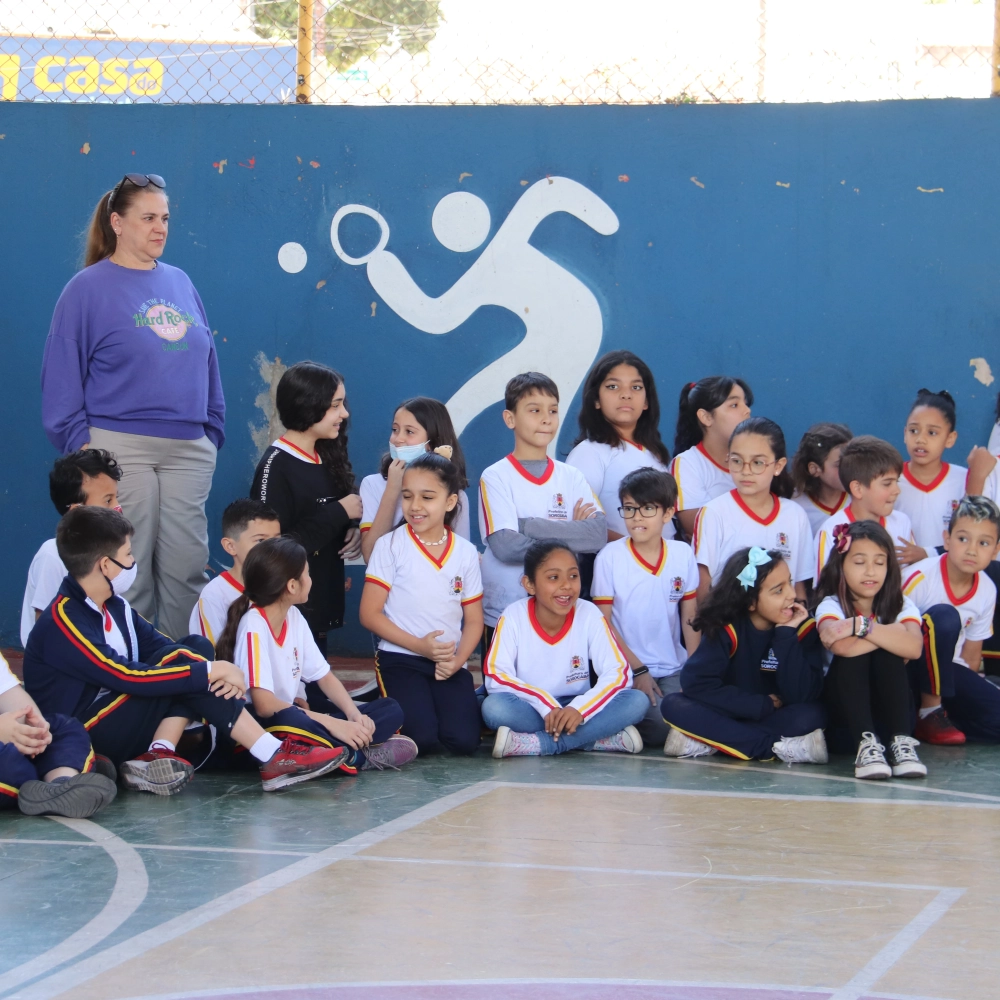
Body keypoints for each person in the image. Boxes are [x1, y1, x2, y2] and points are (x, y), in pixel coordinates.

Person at [23, 507, 346, 794]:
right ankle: (271, 754)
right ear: (105, 565)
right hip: (81, 730)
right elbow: (123, 675)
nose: (134, 562)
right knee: (191, 667)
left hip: (122, 716)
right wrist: (212, 670)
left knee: (194, 648)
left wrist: (209, 668)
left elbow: (167, 648)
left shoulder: (115, 607)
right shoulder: (64, 618)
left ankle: (160, 752)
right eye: (128, 555)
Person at [41, 173, 225, 641]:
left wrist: (211, 431)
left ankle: (188, 679)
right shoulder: (85, 289)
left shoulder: (181, 282)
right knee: (130, 571)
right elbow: (61, 375)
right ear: (118, 223)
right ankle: (134, 681)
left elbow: (208, 358)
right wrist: (83, 448)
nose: (160, 227)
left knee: (187, 570)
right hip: (121, 447)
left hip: (188, 447)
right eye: (148, 218)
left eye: (164, 218)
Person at [215, 537, 416, 773]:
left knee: (390, 709)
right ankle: (355, 757)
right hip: (264, 728)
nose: (311, 580)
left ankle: (336, 754)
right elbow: (265, 706)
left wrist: (352, 715)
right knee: (295, 721)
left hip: (296, 717)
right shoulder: (254, 625)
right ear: (292, 586)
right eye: (307, 574)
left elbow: (324, 677)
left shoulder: (294, 618)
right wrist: (334, 724)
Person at [360, 453, 483, 755]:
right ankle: (372, 714)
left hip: (447, 663)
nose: (415, 506)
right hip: (400, 659)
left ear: (450, 502)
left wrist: (457, 661)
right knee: (422, 739)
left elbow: (475, 620)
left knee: (464, 741)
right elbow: (369, 614)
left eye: (427, 497)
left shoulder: (466, 553)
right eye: (407, 496)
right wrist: (420, 646)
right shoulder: (389, 546)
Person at [482, 541, 648, 757]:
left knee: (637, 702)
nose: (567, 586)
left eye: (573, 576)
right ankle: (594, 740)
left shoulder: (589, 614)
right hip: (534, 708)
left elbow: (618, 673)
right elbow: (497, 675)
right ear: (529, 584)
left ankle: (542, 744)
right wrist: (548, 706)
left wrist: (579, 709)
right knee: (494, 708)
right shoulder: (513, 616)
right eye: (553, 577)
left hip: (577, 706)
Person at [661, 547, 827, 763]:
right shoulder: (727, 629)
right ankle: (770, 747)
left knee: (814, 713)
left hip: (775, 717)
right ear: (750, 602)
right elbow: (697, 684)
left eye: (790, 582)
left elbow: (802, 695)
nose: (792, 595)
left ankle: (716, 742)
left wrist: (785, 637)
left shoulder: (802, 628)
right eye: (778, 590)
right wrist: (758, 705)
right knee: (674, 704)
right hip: (732, 710)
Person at [478, 373, 606, 639]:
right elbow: (505, 546)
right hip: (505, 610)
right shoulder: (495, 475)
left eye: (553, 410)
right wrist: (571, 531)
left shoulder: (571, 476)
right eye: (535, 410)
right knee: (506, 681)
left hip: (560, 610)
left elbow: (597, 535)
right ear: (510, 419)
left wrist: (530, 526)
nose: (547, 418)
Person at [251, 361, 363, 654]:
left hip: (318, 608)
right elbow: (271, 549)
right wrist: (340, 512)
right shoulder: (275, 466)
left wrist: (350, 528)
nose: (344, 414)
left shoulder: (327, 453)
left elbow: (331, 511)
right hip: (289, 614)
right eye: (335, 405)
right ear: (309, 406)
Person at [592, 468, 699, 748]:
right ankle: (611, 732)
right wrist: (638, 670)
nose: (636, 517)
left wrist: (696, 672)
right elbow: (603, 626)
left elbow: (690, 618)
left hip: (673, 669)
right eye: (629, 509)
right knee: (663, 727)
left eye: (648, 508)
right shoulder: (609, 558)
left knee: (695, 714)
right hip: (627, 669)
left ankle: (623, 728)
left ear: (668, 513)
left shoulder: (682, 554)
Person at [816, 520, 926, 780]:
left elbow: (915, 648)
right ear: (841, 566)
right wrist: (890, 634)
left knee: (885, 651)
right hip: (845, 720)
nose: (870, 571)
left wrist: (861, 625)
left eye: (879, 562)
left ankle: (902, 744)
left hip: (889, 714)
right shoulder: (831, 605)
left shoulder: (901, 604)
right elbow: (841, 647)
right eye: (859, 562)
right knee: (876, 649)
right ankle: (866, 747)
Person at [902, 496, 1000, 745]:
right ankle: (926, 712)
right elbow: (891, 631)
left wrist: (966, 697)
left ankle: (937, 721)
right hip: (907, 669)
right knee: (945, 616)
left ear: (996, 550)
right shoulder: (919, 577)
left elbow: (971, 655)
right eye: (962, 538)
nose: (972, 550)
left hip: (948, 674)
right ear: (946, 539)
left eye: (984, 543)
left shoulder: (987, 590)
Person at [693, 417, 812, 603]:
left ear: (778, 466)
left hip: (782, 627)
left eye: (757, 463)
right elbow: (704, 582)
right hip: (729, 625)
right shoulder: (714, 513)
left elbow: (799, 587)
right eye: (737, 461)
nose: (745, 471)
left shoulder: (795, 515)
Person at [566, 350, 673, 542]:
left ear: (647, 401)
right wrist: (639, 549)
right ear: (596, 400)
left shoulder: (654, 453)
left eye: (636, 387)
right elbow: (580, 524)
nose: (626, 395)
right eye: (613, 386)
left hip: (667, 565)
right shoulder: (589, 452)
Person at [21, 448, 123, 648]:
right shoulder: (53, 554)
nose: (118, 508)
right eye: (108, 500)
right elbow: (46, 627)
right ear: (78, 512)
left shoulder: (111, 552)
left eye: (117, 497)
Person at [0, 650, 117, 818]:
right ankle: (65, 773)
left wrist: (36, 730)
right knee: (7, 763)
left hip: (9, 739)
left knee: (63, 727)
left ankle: (60, 784)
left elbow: (15, 701)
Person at [360, 396, 471, 561]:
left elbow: (461, 558)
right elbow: (371, 556)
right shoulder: (372, 484)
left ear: (432, 441)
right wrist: (392, 488)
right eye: (395, 429)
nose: (398, 439)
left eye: (409, 432)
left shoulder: (456, 496)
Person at [813, 436, 915, 583]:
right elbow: (825, 589)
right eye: (887, 484)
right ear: (858, 488)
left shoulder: (901, 522)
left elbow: (910, 580)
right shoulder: (830, 531)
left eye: (896, 481)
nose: (897, 490)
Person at [189, 498, 281, 646]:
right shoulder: (214, 597)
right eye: (260, 541)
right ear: (230, 546)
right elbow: (212, 660)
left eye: (277, 539)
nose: (273, 548)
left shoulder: (283, 586)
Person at [670, 376, 753, 541]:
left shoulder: (757, 460)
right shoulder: (687, 464)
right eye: (734, 405)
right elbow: (696, 527)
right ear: (706, 417)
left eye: (746, 403)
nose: (747, 411)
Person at [895, 389, 968, 560]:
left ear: (950, 438)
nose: (921, 439)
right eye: (914, 431)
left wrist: (927, 553)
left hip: (949, 577)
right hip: (902, 578)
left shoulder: (964, 480)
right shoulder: (889, 480)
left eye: (932, 433)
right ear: (905, 433)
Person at [790, 423, 853, 534]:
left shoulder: (862, 497)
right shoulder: (795, 506)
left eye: (852, 461)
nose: (849, 469)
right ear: (814, 469)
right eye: (839, 465)